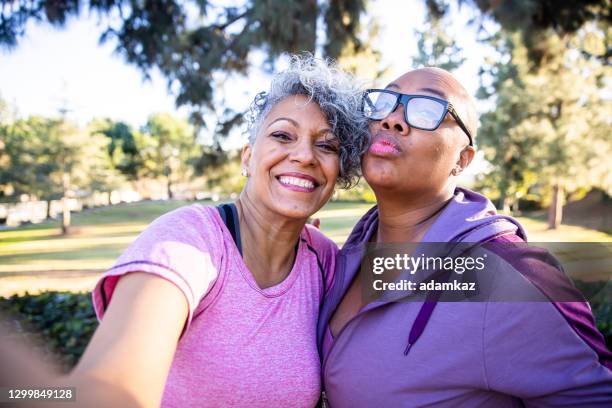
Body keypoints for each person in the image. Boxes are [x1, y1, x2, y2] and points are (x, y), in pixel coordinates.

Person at [13, 55, 367, 408]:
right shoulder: (188, 241)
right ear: (247, 157)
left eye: (326, 145)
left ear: (339, 170)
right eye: (282, 135)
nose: (304, 155)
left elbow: (415, 280)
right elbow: (106, 395)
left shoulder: (322, 258)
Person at [317, 67, 612, 407]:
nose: (393, 119)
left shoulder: (510, 275)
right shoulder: (343, 257)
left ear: (463, 159)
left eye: (428, 109)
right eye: (386, 101)